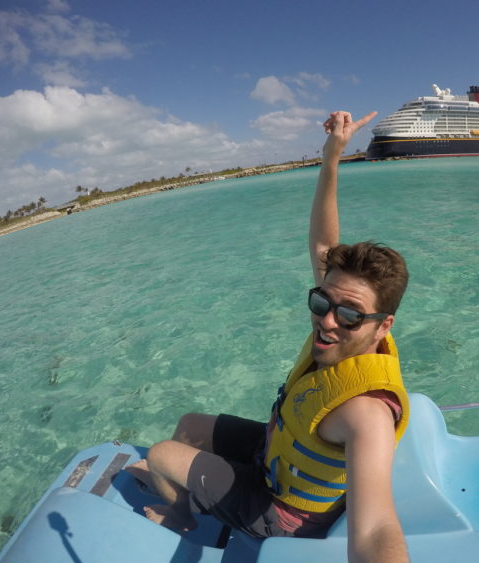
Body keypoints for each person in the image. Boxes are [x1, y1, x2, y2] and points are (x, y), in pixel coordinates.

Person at [125, 110, 411, 562]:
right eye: (322, 303)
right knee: (188, 426)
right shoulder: (338, 326)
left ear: (383, 325)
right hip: (275, 454)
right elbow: (322, 242)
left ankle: (180, 515)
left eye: (351, 315)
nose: (328, 322)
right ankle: (187, 493)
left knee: (161, 454)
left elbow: (376, 528)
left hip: (283, 512)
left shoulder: (366, 413)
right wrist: (332, 156)